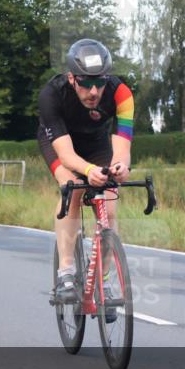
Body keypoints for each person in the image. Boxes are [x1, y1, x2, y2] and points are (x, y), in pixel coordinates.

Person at [37, 39, 134, 318]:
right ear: (71, 78)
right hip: (59, 143)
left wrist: (120, 166)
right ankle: (66, 272)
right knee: (72, 189)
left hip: (96, 143)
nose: (94, 92)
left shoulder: (121, 93)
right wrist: (88, 172)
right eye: (85, 84)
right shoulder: (52, 95)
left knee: (109, 199)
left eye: (100, 83)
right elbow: (66, 154)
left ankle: (103, 282)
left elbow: (123, 147)